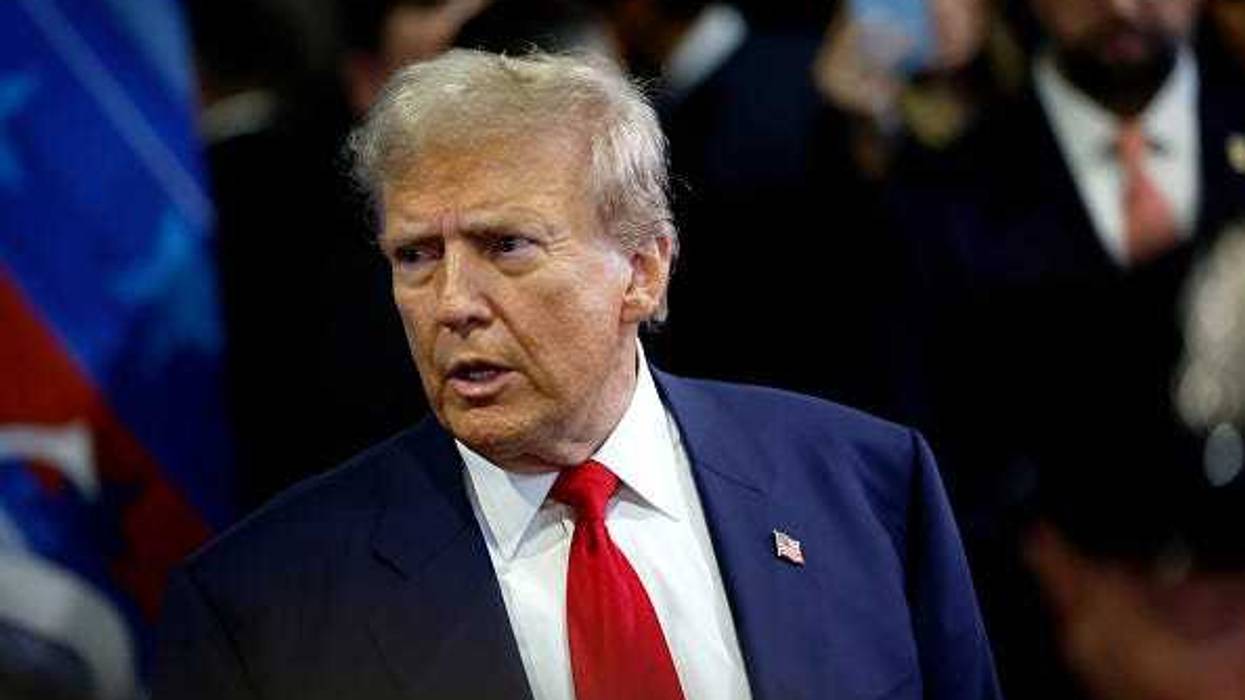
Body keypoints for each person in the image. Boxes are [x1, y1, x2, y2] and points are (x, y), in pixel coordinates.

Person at [153, 49, 1000, 700]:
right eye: (415, 256)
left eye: (505, 246)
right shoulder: (260, 608)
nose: (452, 303)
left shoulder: (865, 486)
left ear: (643, 271)